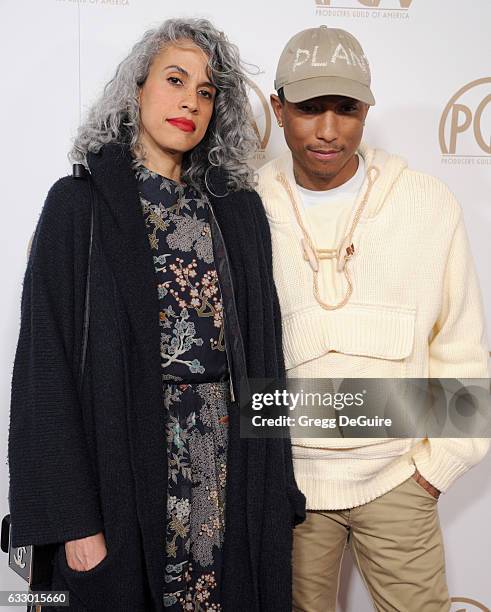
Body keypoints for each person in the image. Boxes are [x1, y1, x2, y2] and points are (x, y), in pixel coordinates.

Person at [8, 18, 305, 612]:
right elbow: (46, 374)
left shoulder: (238, 214)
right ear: (136, 89)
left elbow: (265, 363)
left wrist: (277, 490)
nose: (189, 102)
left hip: (227, 470)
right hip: (127, 470)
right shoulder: (78, 207)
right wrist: (74, 521)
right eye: (174, 80)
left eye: (205, 91)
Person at [256, 25, 490, 612]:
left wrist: (437, 469)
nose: (329, 130)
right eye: (310, 108)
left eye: (347, 109)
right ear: (277, 109)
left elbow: (461, 348)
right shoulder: (245, 209)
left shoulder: (427, 203)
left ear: (368, 110)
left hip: (399, 479)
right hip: (287, 488)